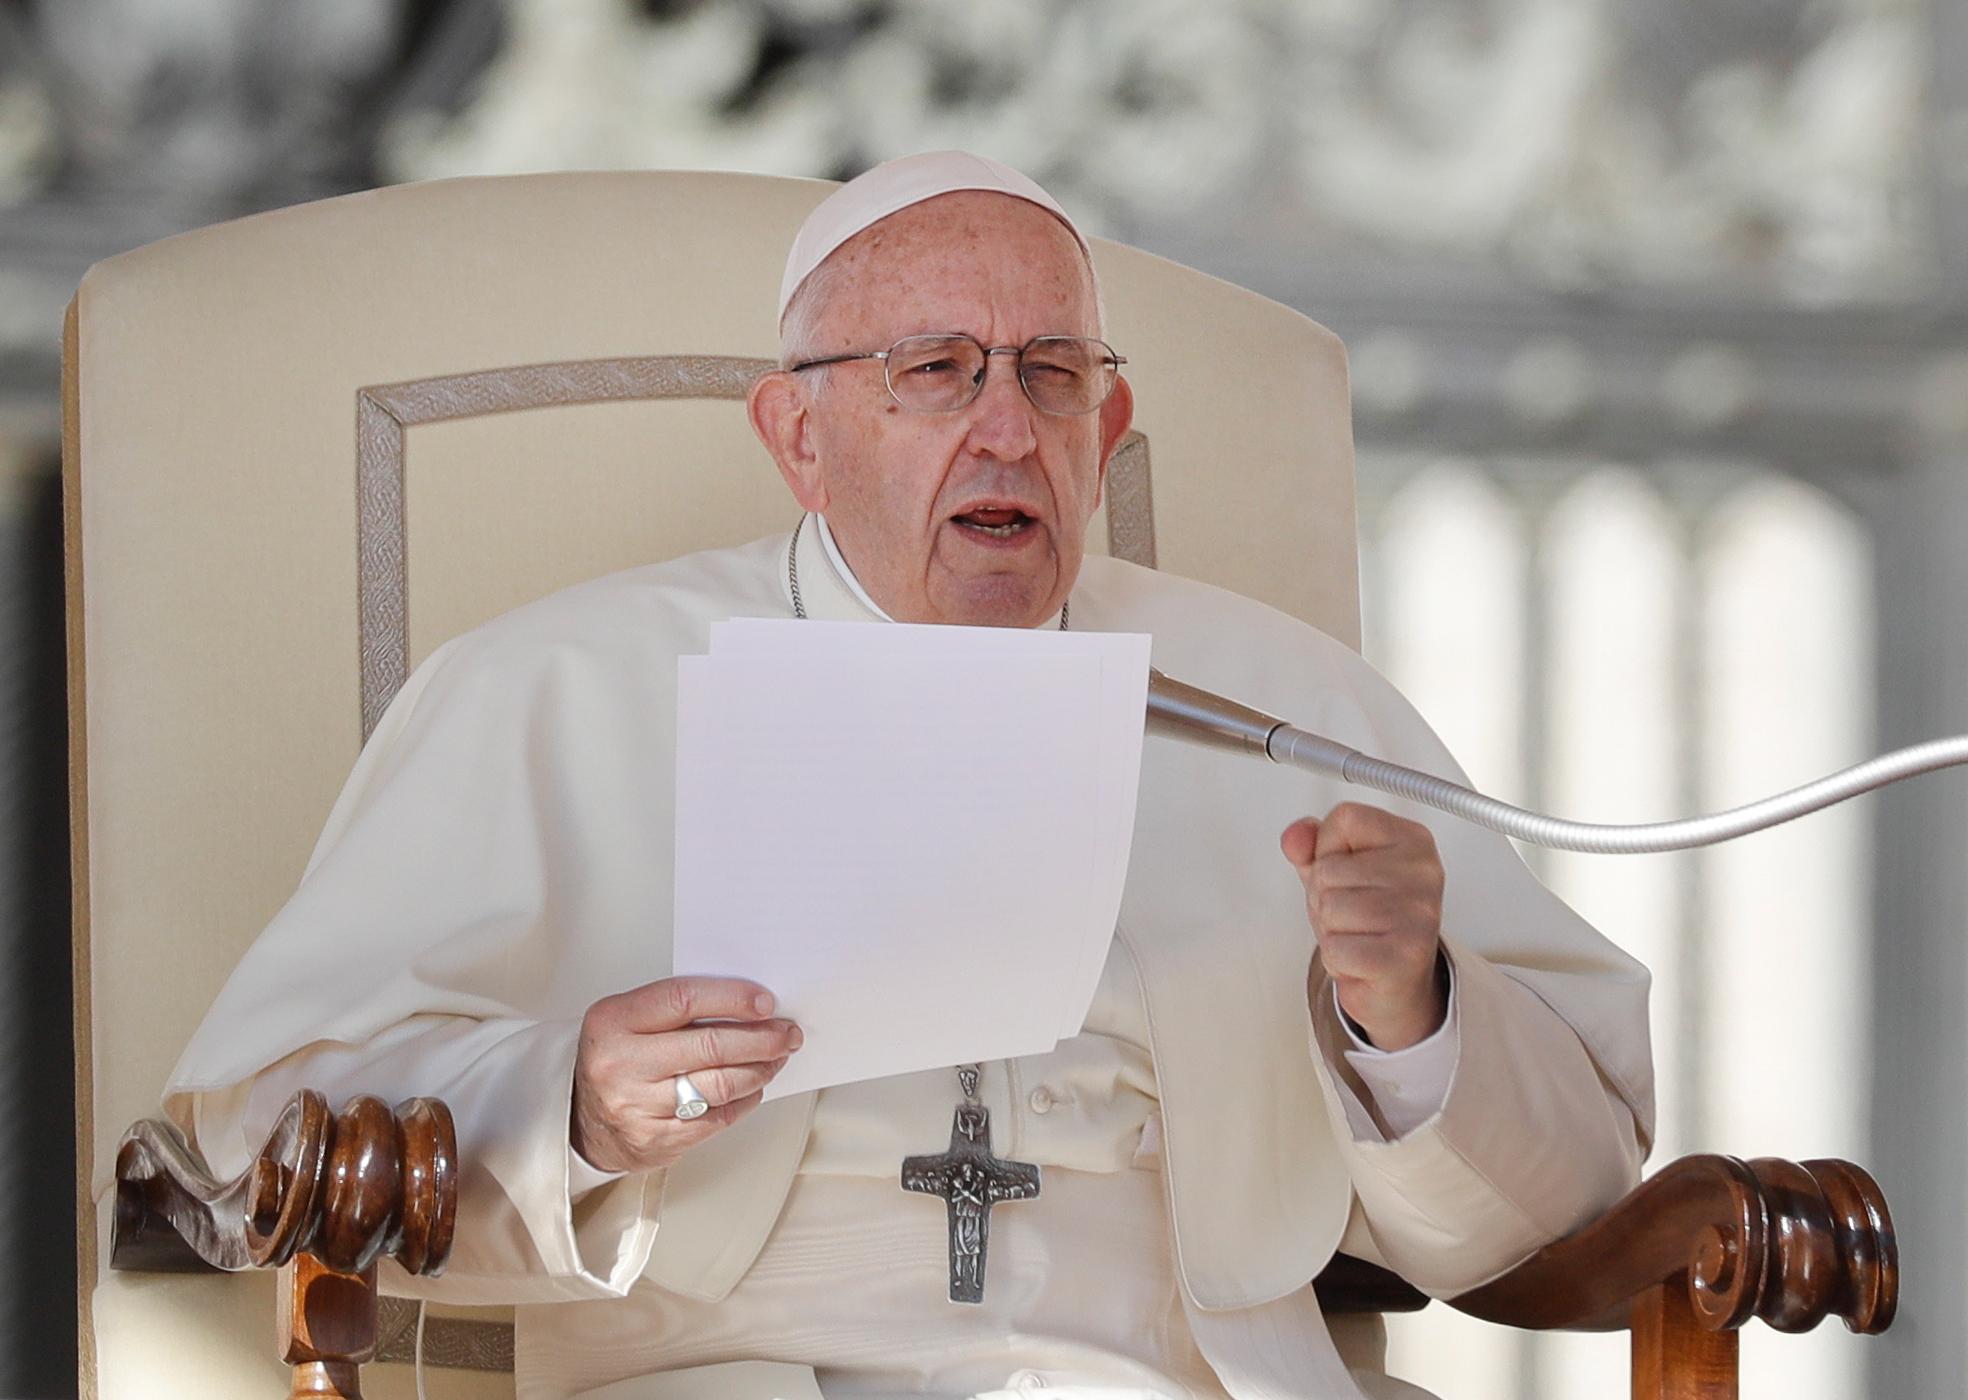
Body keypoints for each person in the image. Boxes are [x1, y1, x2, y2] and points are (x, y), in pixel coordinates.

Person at [167, 152, 1653, 1400]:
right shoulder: (550, 691)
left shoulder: (1295, 703)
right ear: (799, 436)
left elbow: (1554, 1206)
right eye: (935, 373)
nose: (1006, 426)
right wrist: (571, 1107)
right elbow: (264, 1138)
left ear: (1104, 430)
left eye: (1051, 376)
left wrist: (1411, 1016)